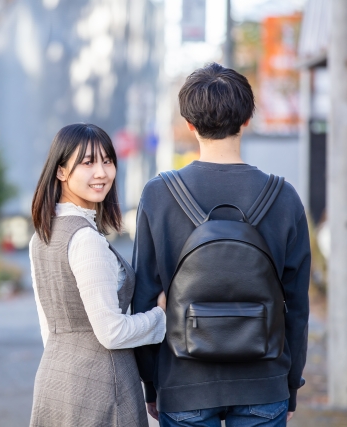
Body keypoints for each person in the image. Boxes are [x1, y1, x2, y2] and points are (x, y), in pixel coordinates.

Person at [132, 63, 311, 427]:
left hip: (183, 384)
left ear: (189, 125)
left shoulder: (159, 195)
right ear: (247, 119)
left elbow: (144, 297)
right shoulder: (284, 197)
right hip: (264, 384)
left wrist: (153, 385)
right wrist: (290, 385)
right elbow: (298, 306)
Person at [29, 123, 167, 427]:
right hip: (102, 386)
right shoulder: (85, 239)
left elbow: (47, 327)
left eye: (107, 161)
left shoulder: (41, 235)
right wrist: (162, 316)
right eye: (88, 162)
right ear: (62, 171)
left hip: (55, 379)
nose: (102, 172)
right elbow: (112, 332)